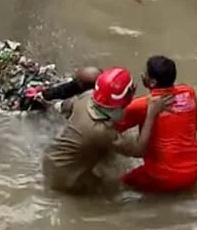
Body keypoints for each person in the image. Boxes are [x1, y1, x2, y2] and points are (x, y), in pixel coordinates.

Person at [41, 67, 172, 194]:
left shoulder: (86, 98)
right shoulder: (102, 132)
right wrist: (152, 114)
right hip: (65, 179)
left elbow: (66, 106)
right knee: (109, 189)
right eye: (132, 89)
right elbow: (139, 150)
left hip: (50, 160)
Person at [115, 56, 197, 193]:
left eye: (145, 73)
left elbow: (110, 129)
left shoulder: (141, 105)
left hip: (164, 176)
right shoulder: (189, 93)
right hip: (194, 171)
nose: (142, 75)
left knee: (120, 185)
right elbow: (194, 127)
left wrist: (126, 100)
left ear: (153, 82)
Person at [19, 66, 102, 110]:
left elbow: (62, 109)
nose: (76, 82)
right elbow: (64, 89)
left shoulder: (83, 104)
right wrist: (44, 94)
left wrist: (47, 104)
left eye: (79, 82)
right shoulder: (78, 85)